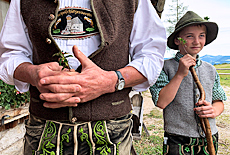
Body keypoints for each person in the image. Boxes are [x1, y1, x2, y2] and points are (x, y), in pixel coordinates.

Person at [0, 0, 166, 154]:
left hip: (112, 133)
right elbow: (10, 54)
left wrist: (111, 81)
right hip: (43, 132)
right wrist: (32, 74)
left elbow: (151, 54)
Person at [150, 11, 227, 155]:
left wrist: (214, 110)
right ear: (177, 40)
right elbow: (161, 102)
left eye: (201, 36)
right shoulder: (163, 67)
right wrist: (179, 74)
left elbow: (219, 101)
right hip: (178, 139)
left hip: (209, 138)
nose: (197, 41)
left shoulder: (210, 69)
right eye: (189, 36)